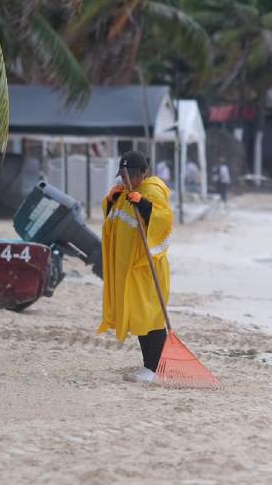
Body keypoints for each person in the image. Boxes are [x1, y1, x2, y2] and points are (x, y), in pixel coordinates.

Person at [96, 151, 174, 383]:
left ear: (143, 173)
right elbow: (113, 221)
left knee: (150, 316)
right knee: (139, 316)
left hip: (146, 268)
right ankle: (149, 367)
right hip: (128, 269)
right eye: (123, 174)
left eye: (131, 174)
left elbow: (164, 221)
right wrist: (110, 202)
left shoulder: (152, 191)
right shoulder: (124, 192)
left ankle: (154, 368)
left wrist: (145, 206)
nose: (126, 178)